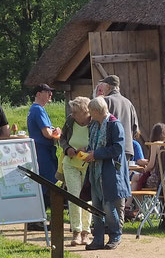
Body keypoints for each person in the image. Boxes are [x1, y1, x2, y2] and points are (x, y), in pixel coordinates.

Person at [83, 97, 131, 250]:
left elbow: (118, 148)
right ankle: (98, 240)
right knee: (96, 206)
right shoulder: (94, 126)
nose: (90, 114)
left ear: (97, 111)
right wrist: (87, 152)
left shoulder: (114, 125)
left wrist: (96, 154)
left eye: (91, 111)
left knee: (109, 206)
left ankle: (115, 236)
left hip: (109, 172)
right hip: (96, 172)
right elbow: (93, 144)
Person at [59, 96, 92, 246]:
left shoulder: (94, 123)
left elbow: (99, 140)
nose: (72, 114)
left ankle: (86, 232)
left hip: (87, 163)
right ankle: (76, 232)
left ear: (84, 112)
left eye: (75, 112)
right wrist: (68, 149)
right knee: (74, 196)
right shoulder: (70, 121)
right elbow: (62, 139)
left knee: (87, 198)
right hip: (70, 163)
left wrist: (88, 150)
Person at [27, 84, 60, 211]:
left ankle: (39, 214)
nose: (50, 94)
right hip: (43, 150)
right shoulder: (38, 110)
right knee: (46, 182)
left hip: (39, 149)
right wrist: (57, 132)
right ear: (38, 94)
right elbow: (47, 134)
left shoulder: (34, 109)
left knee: (43, 181)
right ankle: (40, 214)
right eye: (47, 92)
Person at [97, 75, 139, 160]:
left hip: (110, 150)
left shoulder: (106, 101)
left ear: (108, 87)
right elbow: (135, 129)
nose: (101, 89)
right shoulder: (129, 103)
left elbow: (98, 124)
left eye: (103, 86)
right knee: (123, 173)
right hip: (127, 149)